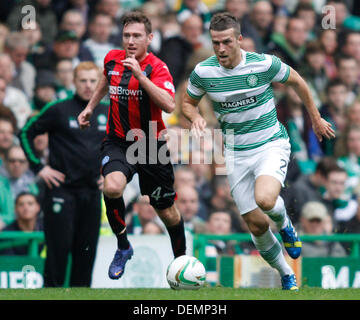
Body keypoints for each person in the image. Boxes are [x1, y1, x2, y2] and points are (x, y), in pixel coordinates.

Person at [182, 12, 335, 291]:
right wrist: (195, 118)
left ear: (239, 40)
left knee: (265, 200)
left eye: (227, 42)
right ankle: (286, 273)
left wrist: (315, 118)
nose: (221, 49)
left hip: (269, 144)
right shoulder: (204, 72)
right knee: (255, 225)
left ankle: (285, 223)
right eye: (215, 43)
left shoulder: (263, 64)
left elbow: (298, 82)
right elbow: (187, 102)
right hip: (236, 153)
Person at [77, 12, 187, 280]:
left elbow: (170, 105)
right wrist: (90, 107)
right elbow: (106, 77)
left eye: (137, 35)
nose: (130, 40)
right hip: (118, 140)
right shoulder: (112, 58)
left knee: (168, 212)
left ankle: (182, 261)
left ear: (149, 38)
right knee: (113, 186)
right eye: (127, 35)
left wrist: (141, 75)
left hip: (151, 143)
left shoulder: (158, 68)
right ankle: (123, 246)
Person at [20, 61, 109, 287]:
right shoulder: (59, 109)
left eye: (93, 81)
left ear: (100, 83)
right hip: (61, 192)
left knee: (86, 256)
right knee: (57, 255)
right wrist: (40, 168)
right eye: (83, 81)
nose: (88, 86)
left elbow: (122, 146)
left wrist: (110, 172)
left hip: (91, 192)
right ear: (73, 81)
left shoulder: (107, 111)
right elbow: (26, 133)